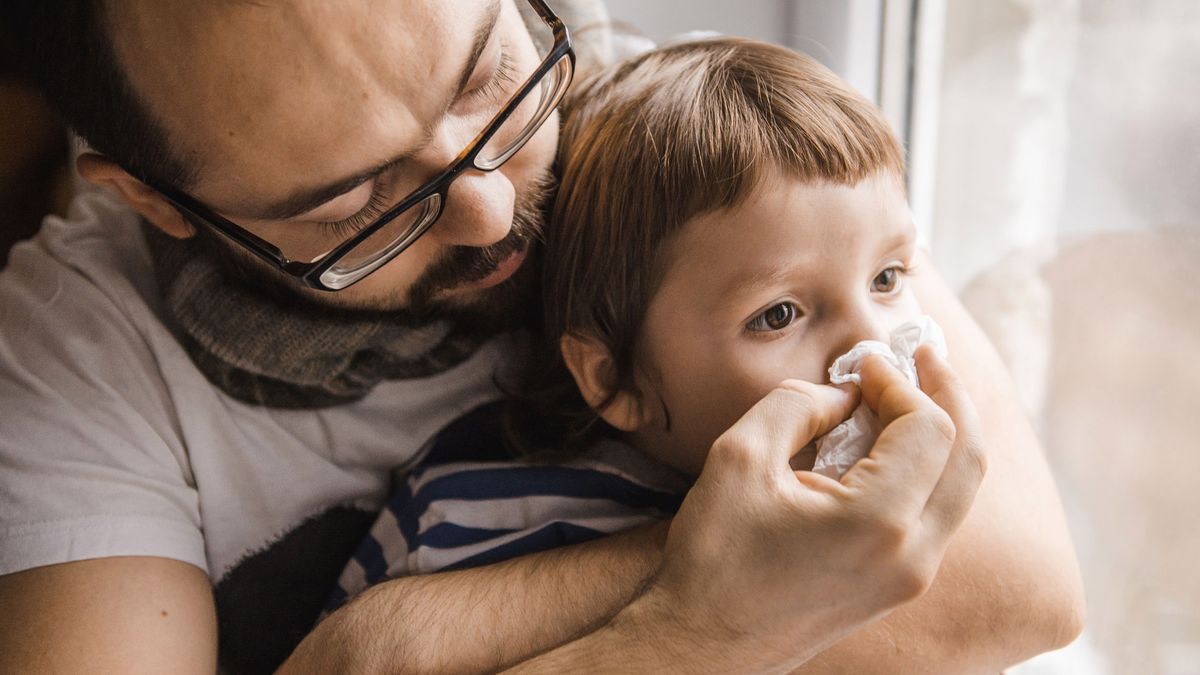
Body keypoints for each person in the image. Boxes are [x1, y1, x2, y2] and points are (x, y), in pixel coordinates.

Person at [0, 2, 1083, 674]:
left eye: (483, 80)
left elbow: (1017, 586)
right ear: (158, 201)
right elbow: (912, 544)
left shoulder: (667, 127)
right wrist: (690, 631)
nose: (485, 206)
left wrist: (412, 645)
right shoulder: (73, 354)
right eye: (355, 199)